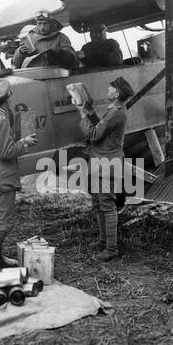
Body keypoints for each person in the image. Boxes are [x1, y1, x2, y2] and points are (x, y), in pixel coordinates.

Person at [0, 79, 38, 270]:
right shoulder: (2, 120)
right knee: (5, 224)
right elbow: (6, 153)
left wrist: (19, 141)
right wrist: (25, 143)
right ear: (8, 98)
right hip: (3, 178)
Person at [73, 77, 134, 262]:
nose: (107, 91)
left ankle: (111, 248)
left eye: (109, 89)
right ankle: (103, 240)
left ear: (116, 94)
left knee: (107, 206)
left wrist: (82, 113)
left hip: (106, 164)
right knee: (98, 204)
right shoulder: (114, 110)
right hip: (101, 161)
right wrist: (90, 112)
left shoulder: (115, 113)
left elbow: (94, 134)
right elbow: (101, 127)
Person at [12, 11, 78, 69]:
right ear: (36, 24)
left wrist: (58, 53)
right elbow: (16, 64)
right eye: (39, 23)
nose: (42, 27)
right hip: (33, 75)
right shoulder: (28, 38)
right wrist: (20, 53)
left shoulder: (61, 37)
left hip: (55, 73)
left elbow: (72, 59)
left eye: (45, 23)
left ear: (51, 24)